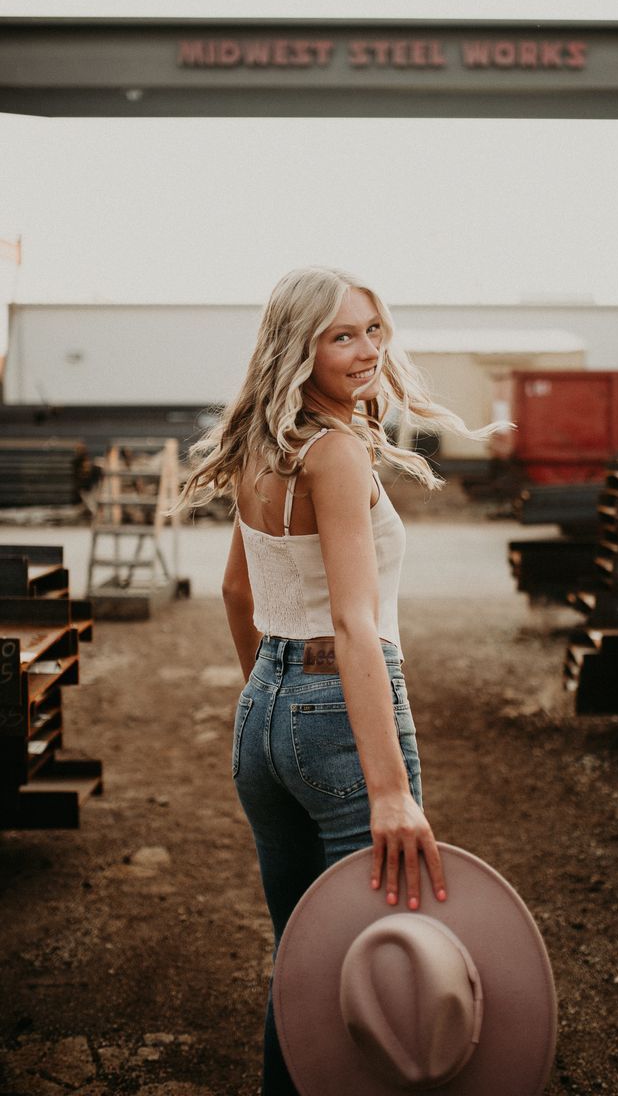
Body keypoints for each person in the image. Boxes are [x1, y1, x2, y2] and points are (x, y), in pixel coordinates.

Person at [178, 266, 506, 1095]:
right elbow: (357, 625)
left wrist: (277, 700)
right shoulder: (336, 454)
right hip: (339, 718)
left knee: (307, 956)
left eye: (373, 329)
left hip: (264, 714)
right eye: (342, 335)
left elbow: (237, 592)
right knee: (376, 961)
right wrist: (389, 788)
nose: (367, 350)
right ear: (300, 349)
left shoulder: (262, 447)